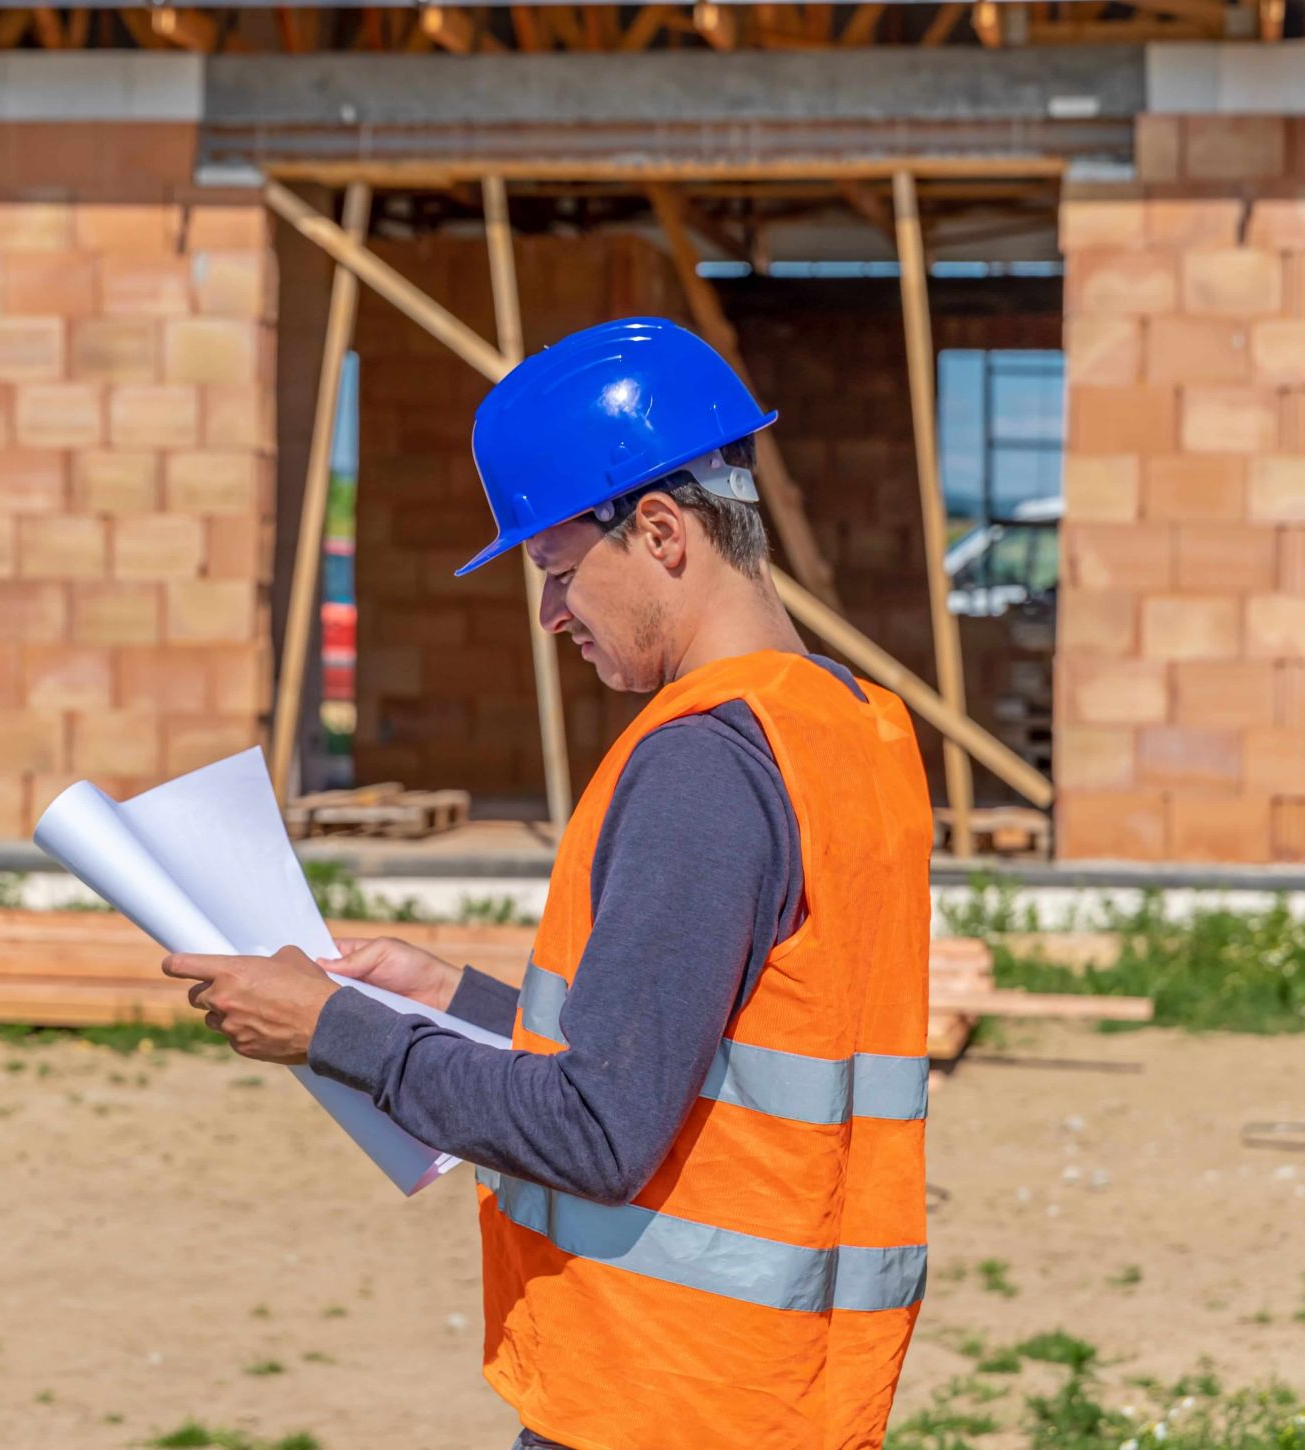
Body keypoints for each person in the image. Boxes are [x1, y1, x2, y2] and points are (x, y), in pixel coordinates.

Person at [162, 317, 933, 1450]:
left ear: (662, 531)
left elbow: (598, 1132)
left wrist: (336, 1031)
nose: (549, 614)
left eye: (559, 569)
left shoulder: (701, 766)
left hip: (661, 1399)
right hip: (775, 1394)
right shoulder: (847, 728)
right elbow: (700, 1052)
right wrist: (452, 1000)